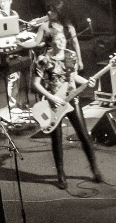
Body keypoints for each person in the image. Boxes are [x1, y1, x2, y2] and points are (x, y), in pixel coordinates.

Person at [32, 31, 103, 189]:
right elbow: (35, 84)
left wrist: (87, 81)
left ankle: (94, 168)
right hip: (54, 103)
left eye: (63, 38)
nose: (62, 41)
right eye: (58, 39)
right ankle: (60, 174)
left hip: (72, 99)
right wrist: (51, 97)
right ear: (51, 43)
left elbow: (73, 76)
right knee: (57, 139)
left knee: (84, 134)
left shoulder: (71, 55)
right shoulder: (43, 59)